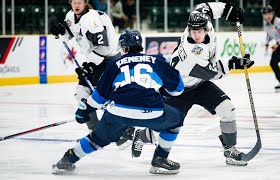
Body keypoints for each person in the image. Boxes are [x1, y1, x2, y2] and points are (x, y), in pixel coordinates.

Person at [131, 2, 254, 166]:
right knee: (166, 127)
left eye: (199, 31)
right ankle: (141, 135)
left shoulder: (203, 20)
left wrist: (229, 11)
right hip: (179, 89)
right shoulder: (191, 52)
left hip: (200, 84)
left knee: (228, 108)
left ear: (207, 28)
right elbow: (212, 72)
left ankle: (230, 150)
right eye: (193, 31)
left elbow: (205, 6)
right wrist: (234, 64)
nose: (196, 35)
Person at [52, 29, 185, 175]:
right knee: (177, 119)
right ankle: (160, 160)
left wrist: (85, 110)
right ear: (140, 46)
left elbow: (99, 98)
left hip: (118, 112)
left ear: (124, 48)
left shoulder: (115, 64)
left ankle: (66, 160)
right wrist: (163, 92)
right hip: (151, 112)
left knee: (96, 139)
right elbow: (178, 89)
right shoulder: (157, 61)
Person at [50, 0, 133, 147]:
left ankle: (122, 133)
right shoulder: (71, 16)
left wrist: (90, 65)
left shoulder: (92, 20)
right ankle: (97, 132)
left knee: (100, 97)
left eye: (79, 2)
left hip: (109, 61)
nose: (76, 5)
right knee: (82, 94)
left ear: (85, 3)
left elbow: (104, 47)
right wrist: (61, 32)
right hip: (96, 61)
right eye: (74, 2)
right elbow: (69, 35)